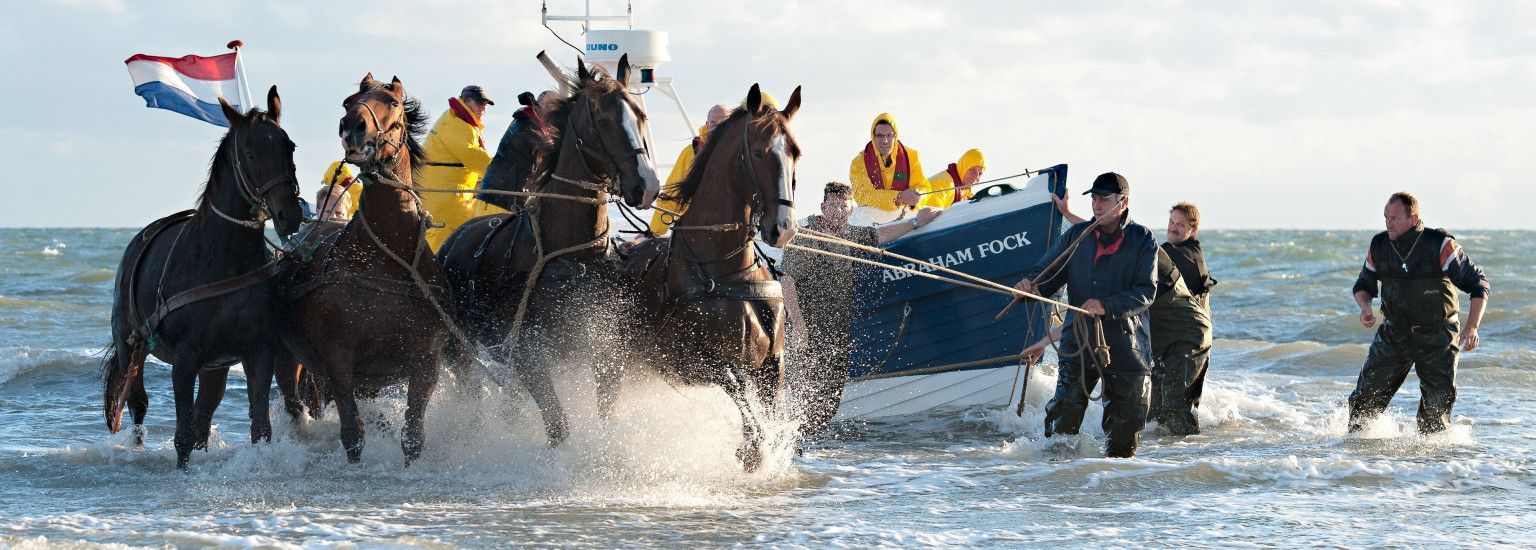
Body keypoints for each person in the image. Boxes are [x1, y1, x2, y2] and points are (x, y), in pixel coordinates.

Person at [781, 182, 941, 439]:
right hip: (808, 334)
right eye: (832, 206)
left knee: (827, 402)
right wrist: (798, 325)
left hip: (836, 336)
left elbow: (878, 236)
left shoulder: (848, 234)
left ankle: (809, 453)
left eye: (843, 206)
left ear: (850, 209)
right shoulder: (808, 236)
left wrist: (915, 223)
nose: (838, 211)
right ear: (823, 207)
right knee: (802, 397)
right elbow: (787, 280)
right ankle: (789, 448)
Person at [1017, 172, 1156, 458]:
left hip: (1127, 348)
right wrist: (1029, 285)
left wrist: (1106, 305)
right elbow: (1046, 273)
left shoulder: (1143, 239)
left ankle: (1116, 495)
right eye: (1093, 198)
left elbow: (1146, 291)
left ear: (1123, 202)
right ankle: (1055, 490)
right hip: (1077, 343)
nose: (1096, 205)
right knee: (1060, 430)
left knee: (1124, 438)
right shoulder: (1075, 236)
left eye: (1103, 199)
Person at [1348, 192, 1489, 434]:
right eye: (1385, 218)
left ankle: (1429, 467)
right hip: (1395, 333)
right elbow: (1363, 286)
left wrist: (1472, 327)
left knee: (1435, 414)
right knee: (1363, 403)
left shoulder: (1440, 244)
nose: (1388, 223)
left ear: (1413, 219)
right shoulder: (1379, 245)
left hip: (1438, 335)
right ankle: (1361, 457)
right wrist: (1365, 307)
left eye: (1394, 218)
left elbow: (1479, 285)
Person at [1148, 201, 1216, 435]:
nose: (1173, 228)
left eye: (1180, 225)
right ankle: (1159, 462)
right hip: (1168, 339)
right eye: (1171, 222)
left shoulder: (1188, 256)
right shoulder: (1169, 250)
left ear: (1192, 230)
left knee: (1176, 407)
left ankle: (1191, 458)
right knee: (1154, 412)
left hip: (1191, 343)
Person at [420, 85, 496, 251]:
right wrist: (504, 168)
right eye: (480, 103)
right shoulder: (456, 123)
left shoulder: (459, 120)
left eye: (486, 104)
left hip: (450, 199)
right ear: (467, 101)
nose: (484, 108)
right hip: (444, 202)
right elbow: (475, 158)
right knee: (441, 246)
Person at [648, 104, 732, 236]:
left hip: (732, 231)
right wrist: (653, 232)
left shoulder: (742, 155)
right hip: (696, 231)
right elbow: (671, 195)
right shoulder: (690, 153)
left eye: (723, 123)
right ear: (707, 124)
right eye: (713, 122)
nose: (716, 128)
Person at [478, 90, 559, 211]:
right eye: (549, 105)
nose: (552, 109)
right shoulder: (526, 123)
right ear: (537, 105)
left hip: (508, 196)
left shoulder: (535, 124)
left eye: (555, 106)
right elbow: (544, 149)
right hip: (497, 198)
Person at [848, 113, 927, 225]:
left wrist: (918, 195)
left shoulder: (912, 156)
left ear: (895, 136)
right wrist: (898, 197)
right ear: (873, 136)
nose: (885, 140)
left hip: (905, 217)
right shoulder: (858, 163)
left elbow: (923, 188)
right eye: (880, 136)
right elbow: (863, 196)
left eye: (889, 135)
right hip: (873, 220)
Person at [921, 148, 985, 209]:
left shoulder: (964, 190)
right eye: (973, 171)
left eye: (980, 174)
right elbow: (930, 214)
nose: (976, 177)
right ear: (964, 167)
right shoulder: (944, 184)